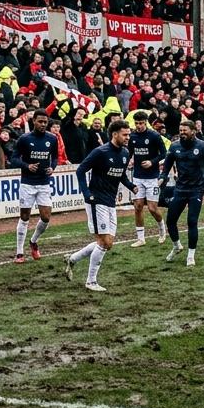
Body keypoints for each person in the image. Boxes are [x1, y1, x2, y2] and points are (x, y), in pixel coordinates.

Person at [67, 119, 136, 292]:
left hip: (110, 201)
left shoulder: (125, 153)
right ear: (114, 134)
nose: (128, 137)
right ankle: (91, 281)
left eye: (129, 134)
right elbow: (80, 170)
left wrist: (131, 186)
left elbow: (121, 176)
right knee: (103, 241)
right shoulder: (100, 151)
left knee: (108, 243)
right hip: (96, 200)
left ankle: (72, 259)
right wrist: (86, 193)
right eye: (125, 134)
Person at [159, 120, 204, 267]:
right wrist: (162, 177)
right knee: (170, 220)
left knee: (191, 221)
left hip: (196, 190)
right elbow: (167, 164)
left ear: (193, 131)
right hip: (180, 189)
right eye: (180, 130)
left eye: (185, 130)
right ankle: (177, 246)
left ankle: (191, 255)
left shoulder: (202, 146)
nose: (182, 133)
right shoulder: (174, 147)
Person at [12, 110, 60, 263]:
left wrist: (53, 167)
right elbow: (13, 158)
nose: (43, 125)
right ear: (34, 121)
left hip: (44, 183)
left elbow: (55, 157)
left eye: (45, 122)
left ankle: (33, 241)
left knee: (46, 217)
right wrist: (27, 166)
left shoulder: (52, 139)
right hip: (27, 183)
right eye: (40, 122)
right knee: (24, 217)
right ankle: (19, 253)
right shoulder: (24, 139)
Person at [126, 110, 166, 247]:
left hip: (152, 177)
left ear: (146, 122)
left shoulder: (154, 136)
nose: (138, 126)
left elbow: (163, 154)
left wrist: (152, 162)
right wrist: (129, 161)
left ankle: (162, 229)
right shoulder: (132, 136)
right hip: (138, 176)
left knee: (152, 208)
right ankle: (141, 238)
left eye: (141, 123)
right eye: (136, 123)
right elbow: (129, 152)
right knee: (137, 206)